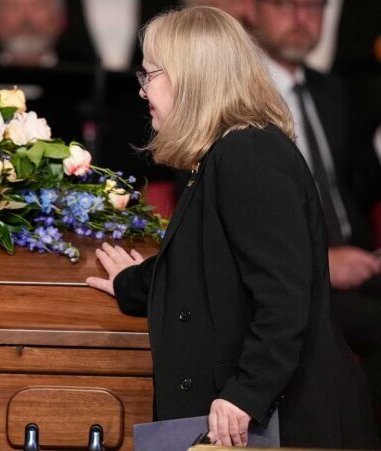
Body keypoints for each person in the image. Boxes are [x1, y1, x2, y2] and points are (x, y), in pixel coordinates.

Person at [85, 6, 379, 448]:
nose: (143, 91)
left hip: (291, 424)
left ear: (190, 76)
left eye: (150, 75)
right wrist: (133, 283)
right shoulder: (229, 150)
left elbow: (284, 295)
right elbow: (205, 264)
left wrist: (246, 392)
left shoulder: (249, 153)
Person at [243, 0, 381, 437]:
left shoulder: (332, 90)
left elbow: (360, 187)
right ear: (252, 8)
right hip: (293, 279)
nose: (303, 18)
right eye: (287, 4)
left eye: (315, 6)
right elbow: (239, 214)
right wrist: (321, 261)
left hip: (361, 260)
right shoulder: (239, 93)